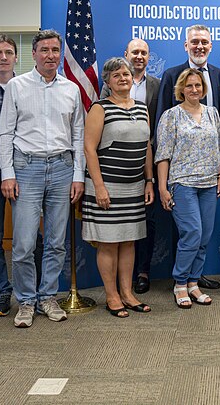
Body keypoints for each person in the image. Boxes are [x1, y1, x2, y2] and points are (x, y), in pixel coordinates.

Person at [0, 29, 85, 328]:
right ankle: (25, 301)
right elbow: (5, 133)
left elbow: (78, 136)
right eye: (44, 50)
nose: (50, 55)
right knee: (23, 243)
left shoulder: (71, 89)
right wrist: (7, 173)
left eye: (55, 50)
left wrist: (77, 176)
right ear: (34, 54)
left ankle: (47, 296)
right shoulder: (17, 86)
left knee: (57, 242)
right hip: (27, 169)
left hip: (62, 168)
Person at [0, 34, 43, 318]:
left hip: (26, 169)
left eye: (9, 52)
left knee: (30, 236)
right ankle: (1, 292)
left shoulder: (29, 87)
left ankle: (32, 291)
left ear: (16, 57)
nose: (3, 57)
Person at [156, 25, 220, 291]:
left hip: (210, 182)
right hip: (182, 182)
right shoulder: (171, 115)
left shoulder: (212, 113)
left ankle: (195, 282)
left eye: (198, 85)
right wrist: (162, 187)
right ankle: (180, 282)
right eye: (190, 85)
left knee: (205, 236)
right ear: (181, 88)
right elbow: (162, 152)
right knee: (192, 233)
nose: (195, 89)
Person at [83, 57, 155, 318]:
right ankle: (112, 296)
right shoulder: (100, 108)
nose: (123, 78)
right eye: (117, 76)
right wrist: (100, 187)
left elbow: (146, 146)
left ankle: (127, 293)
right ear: (108, 82)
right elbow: (89, 149)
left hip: (134, 187)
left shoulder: (142, 107)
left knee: (128, 242)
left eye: (126, 74)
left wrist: (149, 181)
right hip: (106, 187)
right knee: (109, 244)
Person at [100, 39, 161, 295]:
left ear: (149, 57)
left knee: (144, 223)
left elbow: (156, 124)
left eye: (144, 53)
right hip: (112, 172)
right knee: (116, 233)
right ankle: (114, 290)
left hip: (146, 166)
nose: (139, 56)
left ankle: (142, 273)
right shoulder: (106, 92)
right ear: (126, 54)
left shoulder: (157, 85)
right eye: (134, 52)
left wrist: (150, 174)